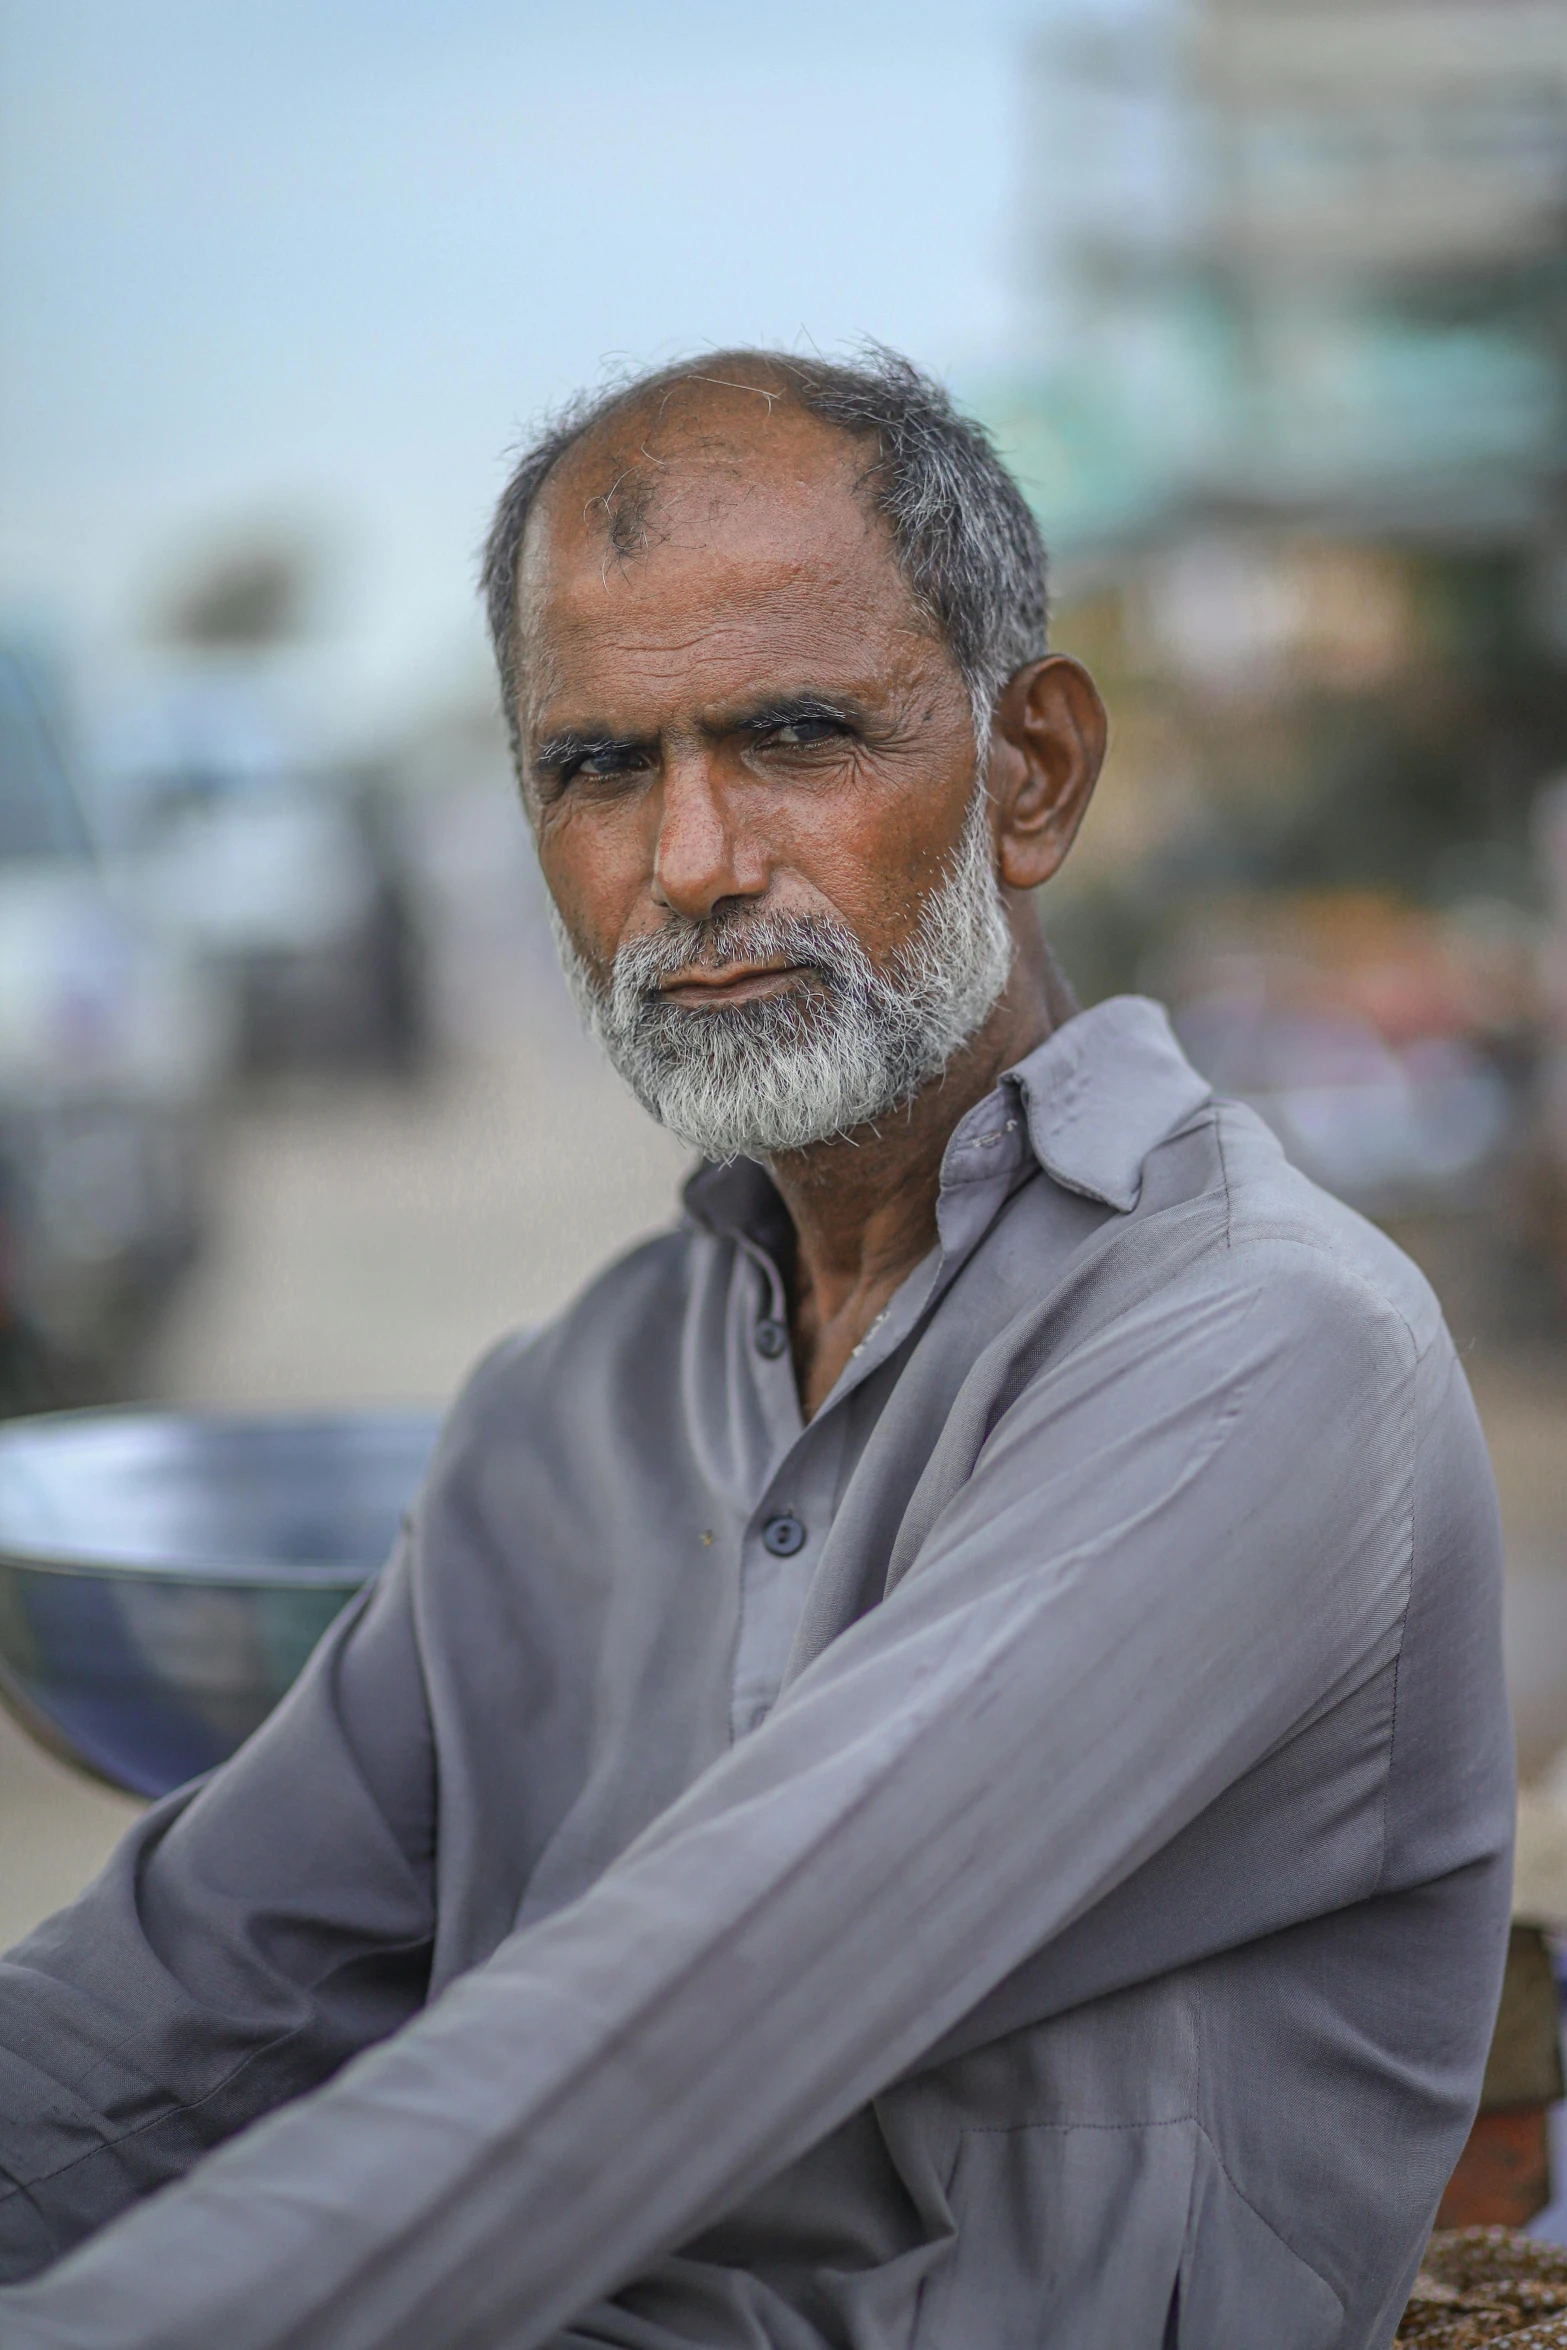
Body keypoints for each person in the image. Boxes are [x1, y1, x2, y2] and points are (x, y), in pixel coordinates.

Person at [0, 349, 1512, 2350]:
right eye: (598, 766)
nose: (693, 861)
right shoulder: (576, 1400)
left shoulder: (1266, 1345)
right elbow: (183, 1998)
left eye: (795, 734)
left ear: (1033, 768)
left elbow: (660, 2032)